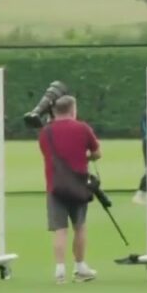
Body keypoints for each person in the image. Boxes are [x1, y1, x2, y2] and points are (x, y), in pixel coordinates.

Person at [38, 95, 101, 283]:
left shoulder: (45, 132)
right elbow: (97, 153)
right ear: (72, 109)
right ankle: (80, 267)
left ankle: (59, 270)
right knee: (79, 227)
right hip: (78, 184)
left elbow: (46, 153)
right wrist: (84, 157)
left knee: (60, 230)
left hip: (55, 186)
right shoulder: (82, 128)